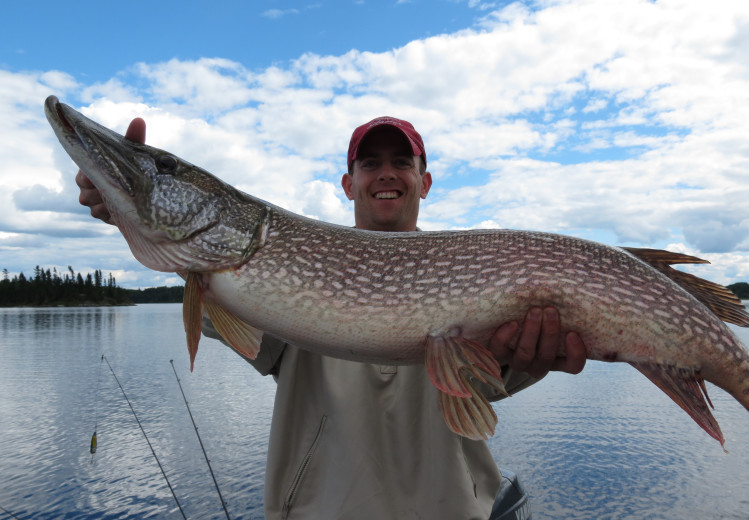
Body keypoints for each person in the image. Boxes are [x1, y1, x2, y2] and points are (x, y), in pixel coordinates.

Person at [76, 115, 588, 519]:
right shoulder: (260, 279)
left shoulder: (477, 278)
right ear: (348, 183)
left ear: (424, 181)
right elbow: (234, 320)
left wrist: (536, 356)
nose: (385, 172)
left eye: (401, 162)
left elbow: (493, 381)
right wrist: (130, 209)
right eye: (369, 164)